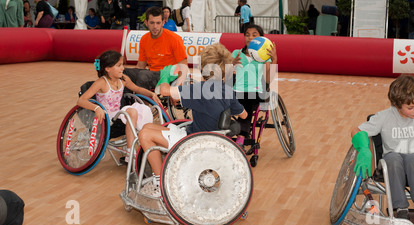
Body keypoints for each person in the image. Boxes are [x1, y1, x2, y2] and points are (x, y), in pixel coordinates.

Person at [138, 43, 247, 193]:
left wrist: (165, 74)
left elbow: (164, 91)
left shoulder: (198, 89)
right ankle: (166, 169)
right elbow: (244, 115)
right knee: (147, 127)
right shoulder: (227, 90)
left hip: (194, 141)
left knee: (144, 134)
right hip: (210, 139)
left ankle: (160, 183)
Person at [351, 75, 414, 225]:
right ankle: (400, 208)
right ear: (397, 105)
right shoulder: (384, 117)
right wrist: (364, 149)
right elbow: (356, 130)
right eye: (411, 107)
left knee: (411, 159)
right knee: (392, 158)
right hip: (393, 164)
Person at [77, 50, 161, 160]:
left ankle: (139, 146)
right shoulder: (101, 82)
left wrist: (151, 94)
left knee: (143, 109)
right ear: (107, 69)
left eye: (122, 65)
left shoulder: (123, 79)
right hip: (106, 119)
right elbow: (81, 101)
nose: (123, 68)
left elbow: (137, 89)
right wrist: (96, 108)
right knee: (131, 111)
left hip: (118, 116)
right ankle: (130, 152)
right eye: (119, 65)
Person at [124, 6, 188, 90]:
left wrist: (178, 88)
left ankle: (144, 102)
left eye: (158, 23)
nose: (155, 26)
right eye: (152, 23)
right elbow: (140, 66)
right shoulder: (144, 39)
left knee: (143, 75)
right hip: (151, 73)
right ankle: (124, 101)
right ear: (146, 23)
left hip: (168, 75)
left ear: (163, 23)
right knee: (122, 73)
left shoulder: (174, 39)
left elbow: (183, 66)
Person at [231, 24, 277, 140]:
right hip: (236, 90)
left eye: (254, 35)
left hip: (256, 92)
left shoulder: (264, 57)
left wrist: (274, 60)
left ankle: (241, 137)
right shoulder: (236, 53)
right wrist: (231, 65)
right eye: (247, 35)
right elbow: (226, 77)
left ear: (261, 38)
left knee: (246, 101)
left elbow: (267, 79)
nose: (250, 38)